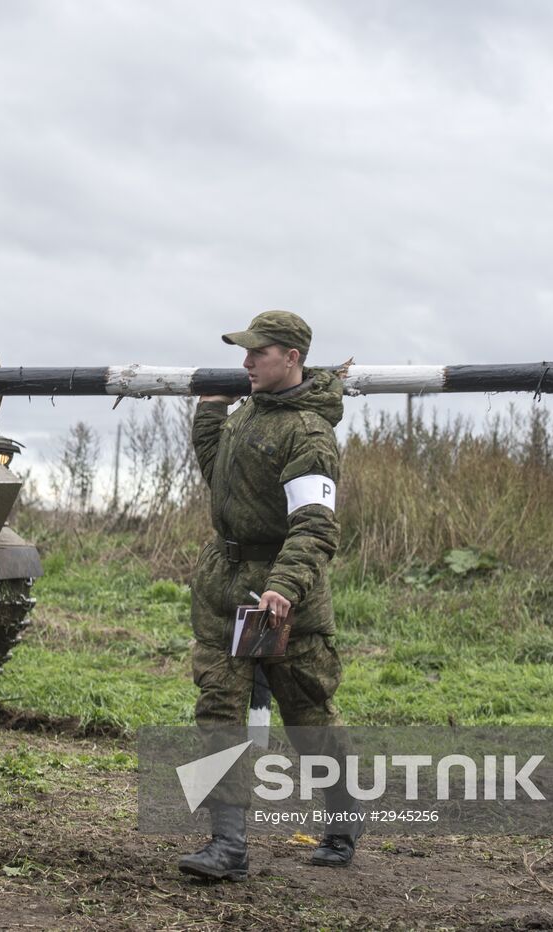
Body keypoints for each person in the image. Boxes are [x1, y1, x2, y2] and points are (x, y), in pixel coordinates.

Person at [178, 310, 356, 882]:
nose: (247, 362)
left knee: (308, 715)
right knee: (218, 712)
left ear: (292, 358)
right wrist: (211, 413)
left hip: (281, 594)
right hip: (224, 588)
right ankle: (227, 845)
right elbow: (221, 478)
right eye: (245, 352)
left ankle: (343, 819)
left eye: (259, 352)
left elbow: (315, 526)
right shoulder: (249, 411)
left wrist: (282, 588)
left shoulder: (308, 433)